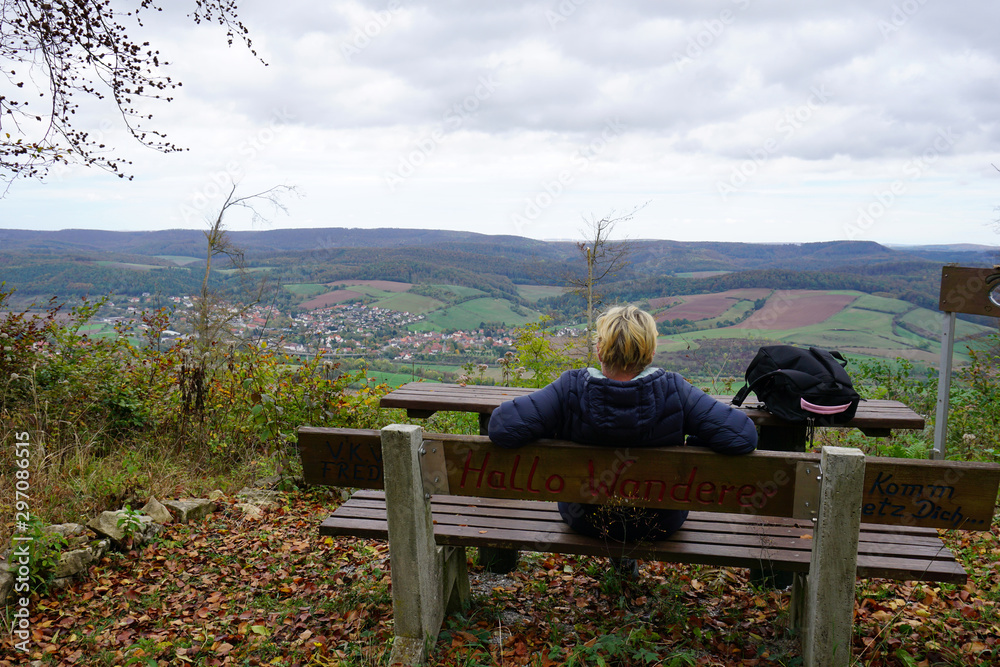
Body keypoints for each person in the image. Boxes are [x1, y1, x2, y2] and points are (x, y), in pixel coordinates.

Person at [488, 305, 757, 544]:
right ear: (651, 354)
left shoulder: (570, 388)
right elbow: (743, 436)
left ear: (599, 349)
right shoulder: (676, 390)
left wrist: (553, 429)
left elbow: (501, 427)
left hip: (586, 520)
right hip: (660, 523)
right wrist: (695, 445)